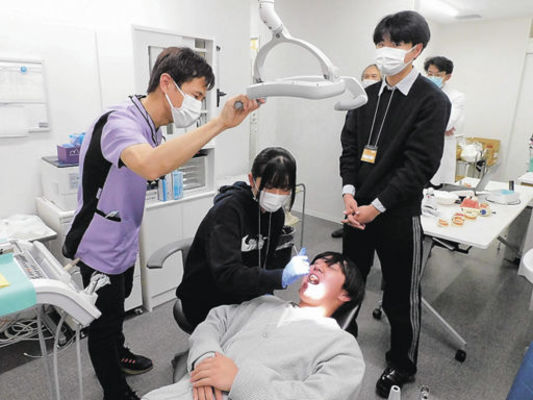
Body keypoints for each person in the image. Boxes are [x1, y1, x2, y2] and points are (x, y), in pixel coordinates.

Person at [62, 47, 261, 400]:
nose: (197, 105)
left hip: (122, 236)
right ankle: (115, 391)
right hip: (97, 242)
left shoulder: (151, 126)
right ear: (167, 83)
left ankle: (118, 353)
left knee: (118, 306)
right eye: (196, 95)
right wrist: (219, 123)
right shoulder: (119, 123)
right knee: (103, 321)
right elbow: (152, 165)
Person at [339, 11, 451, 398]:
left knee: (400, 294)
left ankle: (401, 363)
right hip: (357, 211)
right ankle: (341, 339)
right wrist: (349, 192)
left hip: (398, 214)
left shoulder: (431, 101)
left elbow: (420, 164)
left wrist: (378, 205)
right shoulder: (364, 96)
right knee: (348, 281)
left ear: (416, 50)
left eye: (396, 43)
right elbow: (349, 148)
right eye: (381, 42)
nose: (386, 50)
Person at [143, 251, 366, 400]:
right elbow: (214, 321)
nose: (316, 268)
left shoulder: (342, 347)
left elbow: (318, 396)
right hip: (188, 389)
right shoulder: (266, 303)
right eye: (315, 264)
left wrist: (238, 381)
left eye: (330, 268)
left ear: (346, 295)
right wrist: (206, 357)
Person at [176, 147, 310, 328]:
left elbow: (266, 263)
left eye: (284, 188)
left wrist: (269, 290)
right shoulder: (228, 211)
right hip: (207, 297)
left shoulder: (276, 215)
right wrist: (281, 277)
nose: (277, 194)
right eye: (270, 186)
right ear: (251, 180)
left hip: (244, 294)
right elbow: (226, 275)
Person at [332, 64, 383, 238]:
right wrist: (347, 192)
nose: (369, 79)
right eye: (366, 76)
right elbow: (348, 145)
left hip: (381, 182)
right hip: (359, 172)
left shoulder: (389, 107)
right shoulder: (356, 105)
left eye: (374, 76)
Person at [424, 56, 466, 186]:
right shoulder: (419, 93)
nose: (432, 77)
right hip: (418, 149)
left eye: (438, 75)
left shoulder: (456, 96)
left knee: (435, 188)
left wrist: (438, 126)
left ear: (448, 76)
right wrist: (438, 126)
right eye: (430, 74)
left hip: (440, 151)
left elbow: (447, 124)